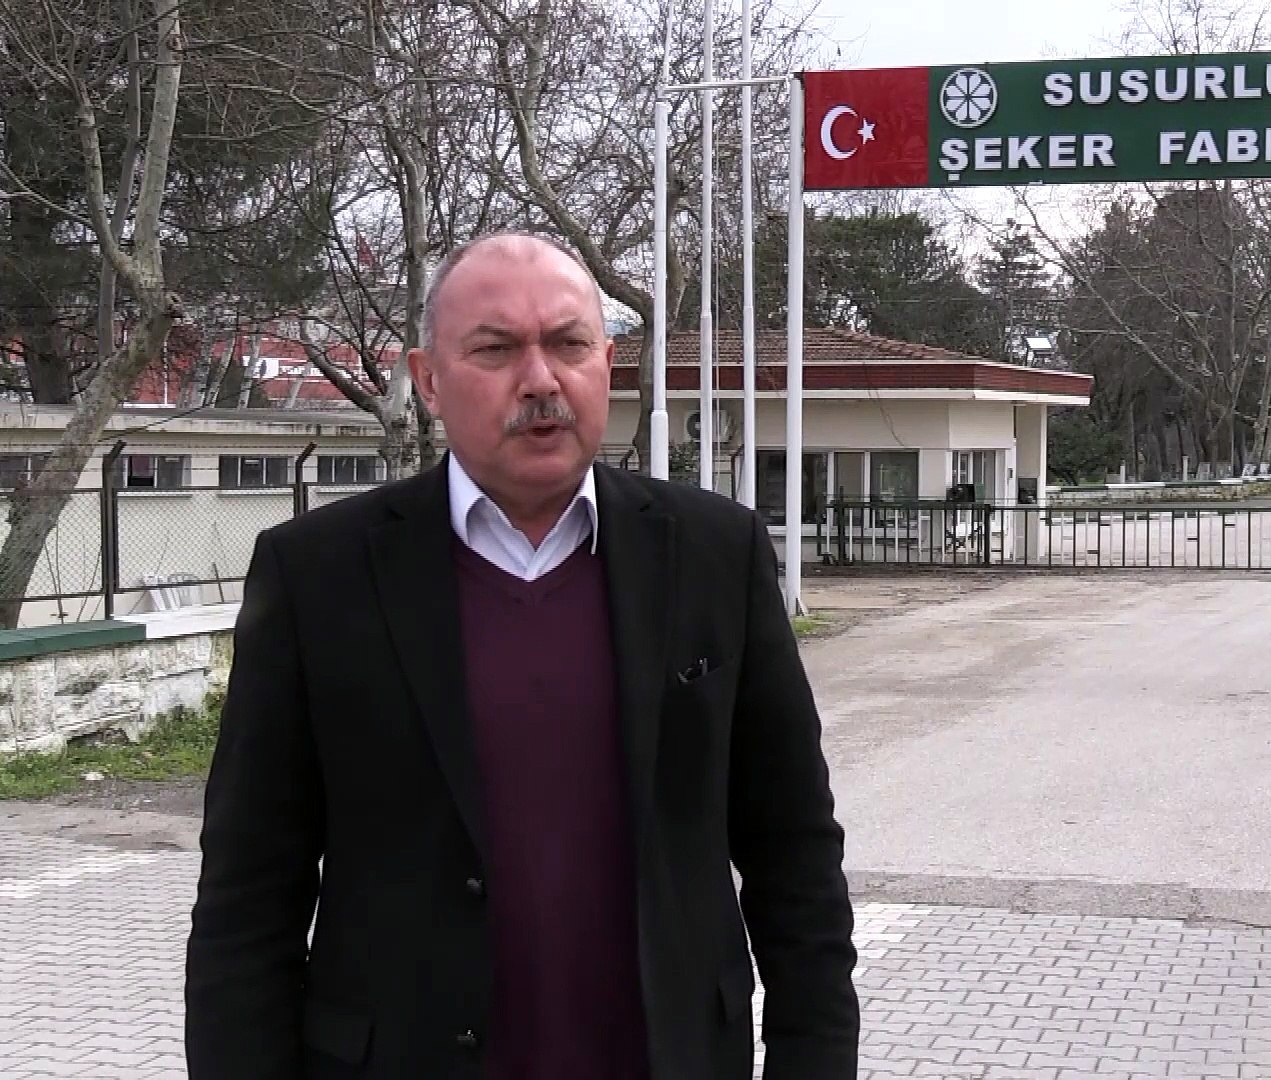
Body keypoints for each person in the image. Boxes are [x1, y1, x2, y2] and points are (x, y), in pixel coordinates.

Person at [184, 233, 858, 1079]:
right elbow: (250, 891)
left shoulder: (715, 553)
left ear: (606, 365)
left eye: (569, 344)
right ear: (428, 379)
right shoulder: (318, 574)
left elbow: (794, 853)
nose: (540, 380)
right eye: (496, 349)